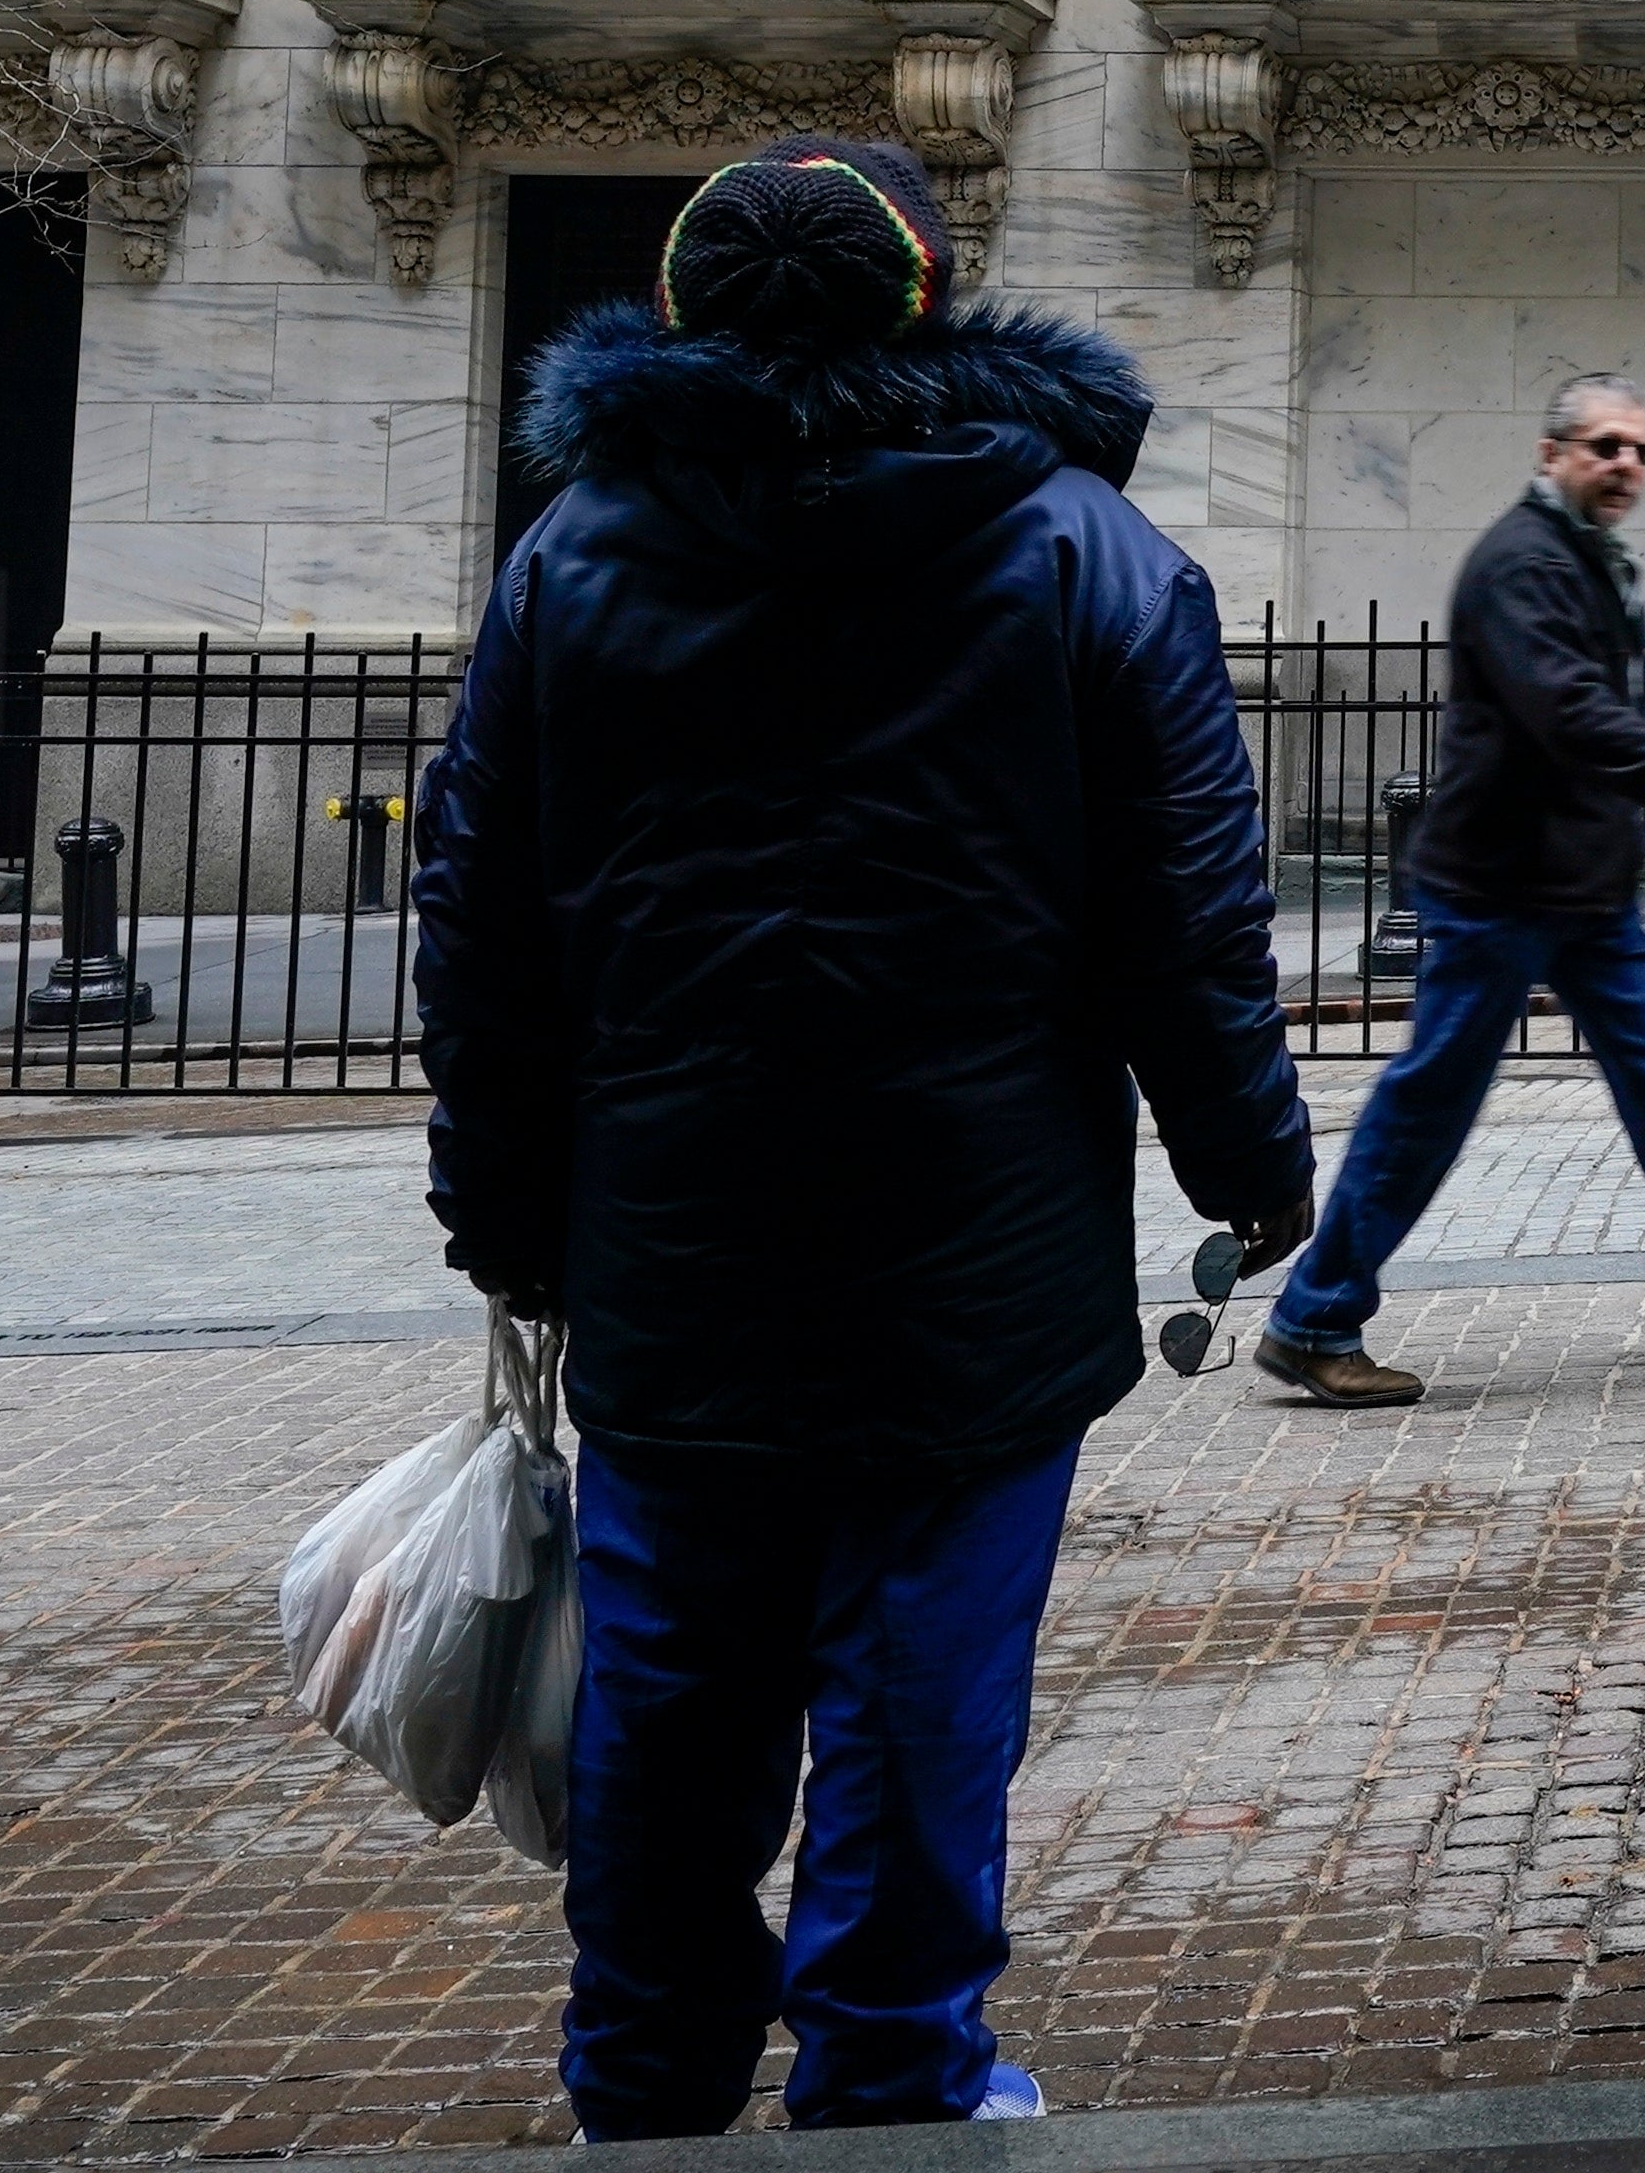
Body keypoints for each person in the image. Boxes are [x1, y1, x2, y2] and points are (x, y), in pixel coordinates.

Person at [417, 137, 1318, 2141]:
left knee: (667, 1707)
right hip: (976, 1248)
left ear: (683, 311)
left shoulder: (574, 551)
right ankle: (895, 2085)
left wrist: (506, 1217)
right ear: (933, 296)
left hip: (674, 1239)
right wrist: (1254, 1163)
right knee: (918, 1711)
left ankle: (642, 2086)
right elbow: (1191, 911)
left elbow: (481, 927)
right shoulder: (1084, 542)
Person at [1253, 377, 1645, 1405]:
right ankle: (1314, 1319)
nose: (1625, 463)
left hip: (1578, 882)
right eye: (1603, 445)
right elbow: (1565, 713)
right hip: (1501, 884)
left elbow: (1581, 705)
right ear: (1553, 453)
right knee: (1430, 1101)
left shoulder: (1579, 558)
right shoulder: (1522, 562)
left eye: (1639, 448)